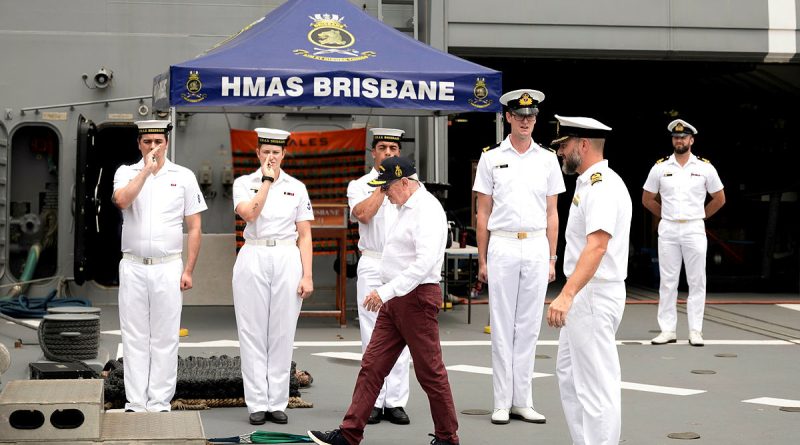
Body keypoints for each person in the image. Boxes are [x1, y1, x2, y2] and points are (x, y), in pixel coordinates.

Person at [308, 157, 459, 445]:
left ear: (404, 182)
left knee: (430, 373)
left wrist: (385, 292)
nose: (385, 193)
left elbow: (423, 264)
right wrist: (388, 292)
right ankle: (349, 434)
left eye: (387, 187)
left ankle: (447, 438)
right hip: (396, 298)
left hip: (415, 298)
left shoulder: (426, 210)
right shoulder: (404, 206)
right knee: (372, 366)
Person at [472, 89, 565, 425]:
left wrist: (553, 257)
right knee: (501, 325)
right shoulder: (490, 157)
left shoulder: (547, 158)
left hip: (537, 244)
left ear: (536, 119)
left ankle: (522, 400)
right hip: (504, 243)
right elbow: (482, 213)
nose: (526, 121)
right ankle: (500, 401)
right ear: (507, 117)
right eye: (520, 115)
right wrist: (482, 260)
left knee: (528, 328)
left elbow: (552, 213)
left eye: (531, 116)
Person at [547, 115, 632, 445]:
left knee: (596, 386)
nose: (560, 153)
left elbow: (597, 245)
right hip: (588, 293)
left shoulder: (601, 185)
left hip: (593, 294)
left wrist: (566, 295)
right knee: (570, 377)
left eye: (564, 145)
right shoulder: (589, 182)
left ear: (583, 145)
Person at [112, 119, 207, 412]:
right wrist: (146, 171)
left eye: (158, 142)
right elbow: (121, 201)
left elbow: (194, 226)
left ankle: (160, 401)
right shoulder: (126, 173)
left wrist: (188, 269)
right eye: (147, 142)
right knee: (135, 335)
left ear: (167, 142)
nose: (153, 147)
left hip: (168, 266)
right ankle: (136, 401)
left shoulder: (184, 176)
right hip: (133, 265)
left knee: (165, 336)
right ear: (139, 144)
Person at [232, 128, 314, 425]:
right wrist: (266, 182)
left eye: (276, 153)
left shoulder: (297, 187)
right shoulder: (245, 183)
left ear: (284, 155)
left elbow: (304, 235)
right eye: (265, 152)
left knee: (281, 332)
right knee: (252, 332)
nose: (270, 157)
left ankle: (277, 401)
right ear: (257, 153)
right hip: (253, 254)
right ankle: (256, 402)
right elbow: (249, 215)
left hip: (286, 256)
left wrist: (307, 275)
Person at [346, 128, 411, 426]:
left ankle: (396, 401)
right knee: (371, 335)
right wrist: (382, 186)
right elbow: (363, 214)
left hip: (400, 266)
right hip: (372, 262)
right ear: (373, 152)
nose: (388, 152)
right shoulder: (359, 185)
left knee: (401, 333)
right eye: (382, 147)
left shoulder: (411, 186)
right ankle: (374, 399)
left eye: (393, 148)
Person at [643, 119, 725, 347]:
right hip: (669, 227)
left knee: (697, 280)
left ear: (692, 140)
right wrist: (665, 214)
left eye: (683, 137)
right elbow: (647, 198)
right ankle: (667, 329)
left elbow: (719, 198)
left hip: (694, 227)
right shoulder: (660, 167)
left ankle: (695, 330)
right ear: (673, 140)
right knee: (667, 281)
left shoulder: (705, 168)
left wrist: (702, 215)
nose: (679, 140)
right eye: (676, 137)